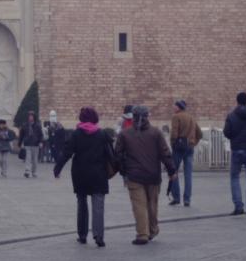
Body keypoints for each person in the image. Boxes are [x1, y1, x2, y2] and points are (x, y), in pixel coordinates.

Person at [114, 105, 176, 245]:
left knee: (139, 205)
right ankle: (152, 230)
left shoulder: (125, 134)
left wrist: (123, 170)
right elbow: (165, 153)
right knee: (152, 204)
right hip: (153, 174)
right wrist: (172, 171)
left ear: (133, 117)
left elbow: (118, 155)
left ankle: (143, 234)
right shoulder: (156, 133)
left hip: (134, 175)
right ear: (147, 116)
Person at [54, 106, 113, 247]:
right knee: (98, 206)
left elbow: (67, 153)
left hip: (80, 174)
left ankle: (82, 235)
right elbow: (111, 155)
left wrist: (58, 168)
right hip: (98, 174)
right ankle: (99, 236)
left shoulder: (76, 134)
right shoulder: (102, 134)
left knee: (82, 204)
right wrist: (122, 170)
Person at [167, 99, 203, 207]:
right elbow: (200, 134)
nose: (173, 107)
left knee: (173, 172)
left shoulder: (176, 117)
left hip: (178, 148)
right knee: (188, 175)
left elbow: (174, 134)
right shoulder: (191, 117)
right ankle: (187, 199)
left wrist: (173, 145)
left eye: (175, 106)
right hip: (190, 148)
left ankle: (176, 197)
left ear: (179, 107)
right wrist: (193, 143)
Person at [20, 111, 43, 178]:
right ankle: (27, 171)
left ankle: (34, 172)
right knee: (28, 158)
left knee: (35, 160)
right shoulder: (25, 125)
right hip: (27, 144)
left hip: (35, 144)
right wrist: (20, 143)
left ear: (34, 117)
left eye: (31, 116)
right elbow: (21, 135)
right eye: (29, 116)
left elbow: (41, 135)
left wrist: (41, 142)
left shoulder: (37, 125)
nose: (30, 117)